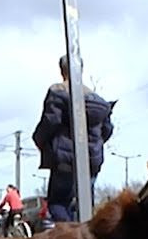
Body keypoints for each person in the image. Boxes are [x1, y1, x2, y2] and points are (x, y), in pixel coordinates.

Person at [32, 54, 114, 222]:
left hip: (65, 161)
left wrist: (39, 140)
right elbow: (107, 130)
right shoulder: (98, 100)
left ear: (62, 71)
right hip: (92, 162)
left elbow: (50, 122)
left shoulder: (58, 91)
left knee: (58, 204)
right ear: (81, 70)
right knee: (85, 207)